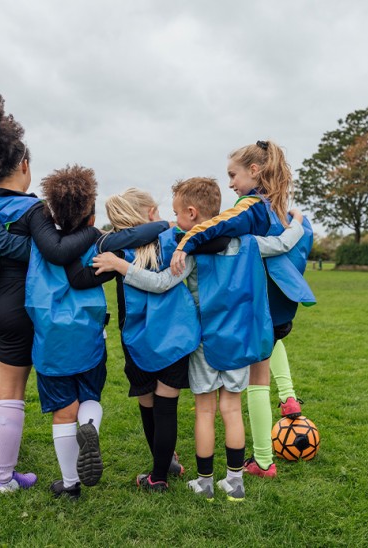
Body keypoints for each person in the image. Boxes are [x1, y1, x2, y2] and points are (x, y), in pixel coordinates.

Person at [94, 177, 303, 501]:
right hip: (239, 342)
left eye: (177, 213)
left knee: (205, 412)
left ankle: (205, 482)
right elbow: (284, 244)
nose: (174, 220)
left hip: (205, 342)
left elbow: (161, 283)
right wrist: (298, 223)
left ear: (191, 213)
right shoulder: (248, 243)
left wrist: (123, 267)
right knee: (232, 410)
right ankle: (235, 483)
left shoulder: (188, 250)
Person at [0, 93, 101, 494]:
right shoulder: (33, 209)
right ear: (25, 165)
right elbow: (53, 252)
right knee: (11, 394)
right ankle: (3, 479)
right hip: (14, 308)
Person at [0, 185, 168, 499]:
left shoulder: (36, 245)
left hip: (51, 339)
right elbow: (127, 238)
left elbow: (4, 242)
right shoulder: (97, 240)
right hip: (89, 335)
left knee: (63, 411)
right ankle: (89, 424)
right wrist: (161, 224)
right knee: (89, 396)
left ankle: (70, 484)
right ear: (90, 216)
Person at [169, 140, 316, 479]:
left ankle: (263, 460)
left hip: (253, 308)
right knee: (265, 365)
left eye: (233, 175)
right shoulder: (282, 209)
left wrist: (186, 241)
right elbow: (293, 247)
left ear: (254, 171)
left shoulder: (250, 204)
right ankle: (287, 401)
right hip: (280, 310)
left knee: (256, 383)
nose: (231, 183)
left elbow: (220, 226)